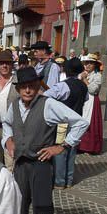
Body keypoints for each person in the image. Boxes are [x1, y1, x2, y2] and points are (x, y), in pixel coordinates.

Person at [2, 67, 88, 214]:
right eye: (23, 87)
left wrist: (62, 146)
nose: (28, 91)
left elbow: (80, 122)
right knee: (18, 204)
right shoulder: (14, 106)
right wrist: (8, 141)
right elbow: (7, 124)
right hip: (21, 163)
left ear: (37, 85)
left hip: (41, 164)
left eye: (31, 86)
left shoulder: (48, 104)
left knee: (42, 207)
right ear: (18, 88)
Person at [43, 59, 89, 189]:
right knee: (71, 149)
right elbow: (85, 99)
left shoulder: (62, 86)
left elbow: (46, 96)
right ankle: (68, 180)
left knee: (60, 151)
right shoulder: (83, 85)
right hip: (77, 120)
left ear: (65, 70)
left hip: (62, 122)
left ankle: (59, 181)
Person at [78, 54, 104, 155]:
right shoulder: (81, 73)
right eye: (86, 63)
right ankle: (79, 145)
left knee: (90, 123)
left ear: (95, 65)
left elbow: (93, 90)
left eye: (91, 63)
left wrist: (84, 80)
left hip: (91, 101)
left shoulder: (97, 75)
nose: (88, 65)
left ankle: (90, 147)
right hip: (82, 100)